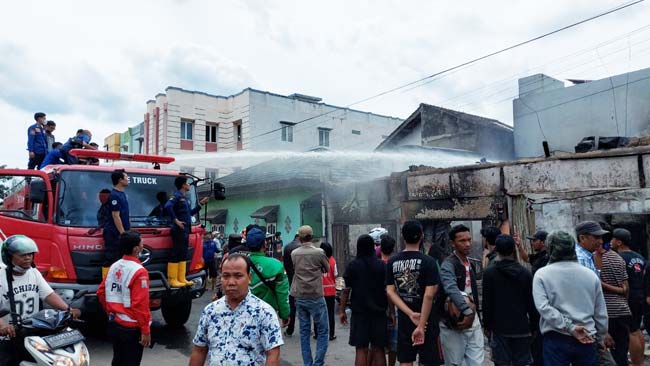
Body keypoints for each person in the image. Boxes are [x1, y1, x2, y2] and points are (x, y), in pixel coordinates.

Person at [0, 235, 82, 366]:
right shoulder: (1, 278)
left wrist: (68, 309)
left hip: (31, 331)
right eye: (22, 255)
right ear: (9, 257)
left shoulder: (34, 273)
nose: (28, 258)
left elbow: (49, 295)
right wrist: (3, 327)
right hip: (8, 337)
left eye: (30, 254)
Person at [190, 254, 283, 366]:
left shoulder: (264, 313)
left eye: (238, 276)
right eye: (226, 276)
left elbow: (273, 354)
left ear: (249, 278)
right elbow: (199, 350)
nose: (231, 282)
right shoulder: (210, 311)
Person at [533, 230, 608, 366]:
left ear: (549, 248)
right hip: (587, 336)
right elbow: (600, 311)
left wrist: (570, 327)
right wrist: (601, 337)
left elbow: (544, 308)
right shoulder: (590, 275)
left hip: (556, 337)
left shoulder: (542, 275)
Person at [386, 220, 440, 366]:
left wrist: (410, 313)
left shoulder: (392, 262)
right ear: (422, 236)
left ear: (403, 237)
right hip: (427, 320)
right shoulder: (429, 262)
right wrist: (421, 325)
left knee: (405, 360)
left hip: (405, 320)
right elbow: (429, 295)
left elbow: (390, 292)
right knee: (429, 361)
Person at [482, 234, 538, 366]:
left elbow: (487, 303)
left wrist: (487, 326)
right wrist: (534, 326)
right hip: (522, 327)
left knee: (502, 363)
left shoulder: (490, 273)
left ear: (497, 250)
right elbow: (531, 303)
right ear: (513, 249)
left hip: (500, 328)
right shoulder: (525, 273)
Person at [97, 231, 151, 366]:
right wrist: (145, 330)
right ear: (136, 249)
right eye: (141, 243)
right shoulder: (139, 271)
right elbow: (140, 304)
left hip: (115, 323)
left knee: (118, 360)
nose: (142, 244)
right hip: (132, 328)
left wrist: (111, 311)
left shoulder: (114, 266)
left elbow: (101, 292)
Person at [439, 224, 484, 366]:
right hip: (454, 322)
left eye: (469, 240)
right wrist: (467, 310)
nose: (467, 244)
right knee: (454, 363)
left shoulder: (469, 262)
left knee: (477, 362)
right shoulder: (448, 264)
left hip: (473, 320)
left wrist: (474, 315)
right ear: (452, 243)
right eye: (462, 241)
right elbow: (450, 287)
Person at [340, 234, 388, 366]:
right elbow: (388, 291)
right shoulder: (381, 266)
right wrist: (392, 312)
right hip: (379, 313)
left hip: (359, 313)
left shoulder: (353, 266)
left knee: (361, 349)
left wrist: (342, 310)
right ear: (373, 247)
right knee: (379, 349)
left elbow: (346, 290)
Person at [290, 225, 330, 366]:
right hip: (316, 295)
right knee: (323, 331)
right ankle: (318, 363)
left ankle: (307, 363)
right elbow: (327, 268)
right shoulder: (319, 252)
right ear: (311, 237)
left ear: (300, 238)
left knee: (304, 332)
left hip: (300, 295)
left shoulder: (294, 253)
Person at [164, 176, 209, 288]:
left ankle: (181, 278)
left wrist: (201, 204)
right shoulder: (177, 196)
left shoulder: (185, 198)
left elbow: (190, 213)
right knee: (176, 253)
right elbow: (167, 206)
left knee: (183, 253)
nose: (189, 185)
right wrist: (176, 220)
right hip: (178, 230)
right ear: (183, 185)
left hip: (185, 230)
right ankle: (172, 279)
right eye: (187, 183)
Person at [611, 228, 645, 366]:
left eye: (612, 239)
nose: (610, 242)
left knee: (630, 332)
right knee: (636, 330)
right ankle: (639, 362)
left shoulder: (619, 258)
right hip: (640, 296)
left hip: (628, 297)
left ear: (619, 242)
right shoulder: (640, 257)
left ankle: (636, 363)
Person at [245, 228, 290, 326]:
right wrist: (285, 315)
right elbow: (282, 294)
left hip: (244, 316)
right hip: (268, 316)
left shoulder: (239, 264)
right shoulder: (276, 266)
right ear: (264, 244)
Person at [599, 232, 631, 366]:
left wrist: (599, 283)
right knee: (621, 353)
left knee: (605, 353)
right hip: (622, 310)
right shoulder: (618, 259)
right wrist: (621, 293)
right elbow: (626, 288)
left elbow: (595, 285)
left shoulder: (597, 259)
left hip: (606, 312)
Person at [102, 169, 130, 279]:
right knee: (111, 258)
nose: (128, 179)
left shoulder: (122, 194)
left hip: (122, 232)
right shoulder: (114, 195)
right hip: (114, 233)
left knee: (120, 259)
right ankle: (107, 283)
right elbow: (115, 216)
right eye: (126, 177)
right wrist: (123, 233)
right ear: (120, 180)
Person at [380, 235, 398, 366]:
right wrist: (392, 311)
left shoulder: (376, 264)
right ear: (393, 249)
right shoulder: (395, 264)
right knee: (393, 341)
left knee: (378, 341)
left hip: (377, 305)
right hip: (393, 304)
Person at [318, 242, 337, 341]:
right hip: (331, 290)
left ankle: (318, 334)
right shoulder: (333, 261)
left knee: (319, 313)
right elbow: (336, 274)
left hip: (320, 291)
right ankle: (331, 334)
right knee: (330, 313)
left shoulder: (318, 260)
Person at [283, 232, 301, 336]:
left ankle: (290, 329)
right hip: (302, 280)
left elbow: (285, 264)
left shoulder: (287, 247)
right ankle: (306, 329)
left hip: (291, 279)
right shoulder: (301, 247)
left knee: (292, 304)